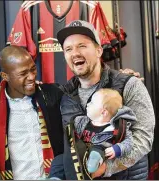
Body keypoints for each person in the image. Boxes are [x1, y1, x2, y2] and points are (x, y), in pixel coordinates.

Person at [52, 20, 155, 180]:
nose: (75, 53)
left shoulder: (129, 84)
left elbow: (144, 138)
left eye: (82, 46)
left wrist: (106, 168)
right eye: (68, 49)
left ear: (99, 50)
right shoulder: (65, 97)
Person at [0, 45, 64, 180]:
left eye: (33, 69)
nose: (31, 77)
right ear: (5, 76)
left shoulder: (52, 95)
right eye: (23, 73)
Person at [60, 88, 136, 179]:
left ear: (103, 112)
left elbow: (129, 142)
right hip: (80, 152)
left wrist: (117, 149)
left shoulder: (118, 127)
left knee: (97, 149)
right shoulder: (82, 121)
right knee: (60, 160)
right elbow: (72, 133)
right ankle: (55, 177)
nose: (87, 104)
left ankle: (94, 162)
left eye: (92, 103)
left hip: (100, 152)